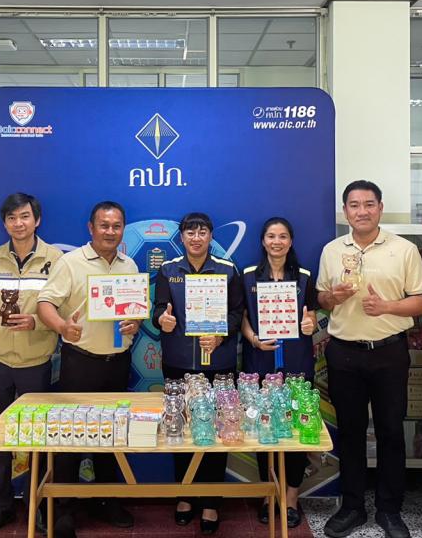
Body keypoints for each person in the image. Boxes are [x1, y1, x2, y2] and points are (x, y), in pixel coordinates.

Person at [317, 180, 422, 538]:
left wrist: (387, 307)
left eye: (369, 204)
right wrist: (332, 297)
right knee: (349, 432)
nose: (362, 211)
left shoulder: (404, 249)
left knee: (391, 431)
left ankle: (389, 510)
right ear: (345, 211)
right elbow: (321, 299)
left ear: (380, 208)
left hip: (389, 352)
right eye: (354, 205)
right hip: (344, 354)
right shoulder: (332, 250)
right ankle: (352, 507)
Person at [36, 201, 142, 536]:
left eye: (116, 226)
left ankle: (106, 500)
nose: (110, 231)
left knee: (112, 436)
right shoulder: (71, 262)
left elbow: (135, 311)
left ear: (123, 229)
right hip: (80, 362)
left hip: (117, 363)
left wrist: (135, 323)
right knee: (70, 437)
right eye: (104, 225)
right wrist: (61, 327)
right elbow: (44, 303)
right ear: (91, 228)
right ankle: (63, 509)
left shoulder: (129, 264)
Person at [0, 193, 63, 537]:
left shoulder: (55, 259)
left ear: (37, 220)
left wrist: (36, 322)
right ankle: (2, 505)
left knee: (39, 437)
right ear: (5, 223)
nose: (18, 223)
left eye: (24, 216)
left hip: (37, 362)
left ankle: (38, 505)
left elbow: (65, 311)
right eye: (11, 218)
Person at [152, 212, 244, 535]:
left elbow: (237, 313)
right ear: (181, 237)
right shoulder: (168, 270)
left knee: (217, 432)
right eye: (190, 232)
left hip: (218, 365)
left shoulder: (227, 270)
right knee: (179, 429)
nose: (196, 237)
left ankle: (211, 501)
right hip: (178, 362)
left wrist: (220, 335)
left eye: (202, 231)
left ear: (210, 236)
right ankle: (185, 495)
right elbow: (158, 310)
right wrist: (161, 320)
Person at [240, 217, 318, 529]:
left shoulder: (304, 276)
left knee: (296, 430)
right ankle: (267, 495)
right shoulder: (248, 275)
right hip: (259, 362)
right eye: (271, 236)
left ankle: (291, 497)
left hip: (297, 361)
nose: (277, 242)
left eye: (283, 236)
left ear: (291, 241)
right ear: (263, 241)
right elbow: (242, 317)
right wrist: (253, 339)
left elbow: (311, 316)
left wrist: (309, 325)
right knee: (264, 430)